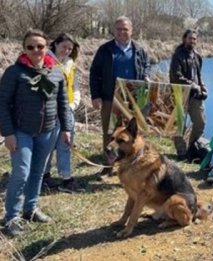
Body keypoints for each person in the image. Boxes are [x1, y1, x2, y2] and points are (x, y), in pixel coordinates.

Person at [0, 29, 72, 236]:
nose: (35, 50)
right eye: (30, 47)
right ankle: (12, 216)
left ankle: (30, 209)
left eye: (40, 46)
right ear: (24, 49)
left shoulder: (56, 73)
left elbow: (63, 104)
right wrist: (8, 133)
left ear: (46, 47)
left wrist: (66, 129)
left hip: (48, 132)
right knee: (21, 172)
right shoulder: (14, 72)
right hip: (21, 131)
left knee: (38, 172)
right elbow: (2, 104)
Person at [89, 16, 150, 174]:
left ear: (132, 31)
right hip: (111, 98)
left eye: (125, 29)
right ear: (114, 30)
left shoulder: (140, 50)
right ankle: (107, 167)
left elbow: (146, 66)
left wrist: (146, 77)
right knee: (109, 133)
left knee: (132, 134)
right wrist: (95, 96)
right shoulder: (105, 49)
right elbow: (94, 73)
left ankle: (131, 165)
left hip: (133, 100)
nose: (122, 32)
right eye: (119, 29)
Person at [42, 33, 83, 193]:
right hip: (50, 111)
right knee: (48, 145)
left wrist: (74, 103)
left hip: (68, 110)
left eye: (70, 48)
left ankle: (66, 177)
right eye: (64, 46)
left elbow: (74, 86)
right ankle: (44, 175)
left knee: (66, 144)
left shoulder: (70, 64)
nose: (66, 51)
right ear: (55, 44)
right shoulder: (46, 61)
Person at [169, 29, 207, 161]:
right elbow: (176, 76)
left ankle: (192, 148)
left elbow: (199, 75)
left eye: (194, 39)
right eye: (190, 38)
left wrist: (202, 87)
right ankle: (181, 152)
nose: (192, 41)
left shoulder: (197, 56)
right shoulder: (177, 55)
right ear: (184, 39)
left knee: (200, 122)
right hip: (180, 95)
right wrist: (192, 85)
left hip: (195, 96)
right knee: (179, 125)